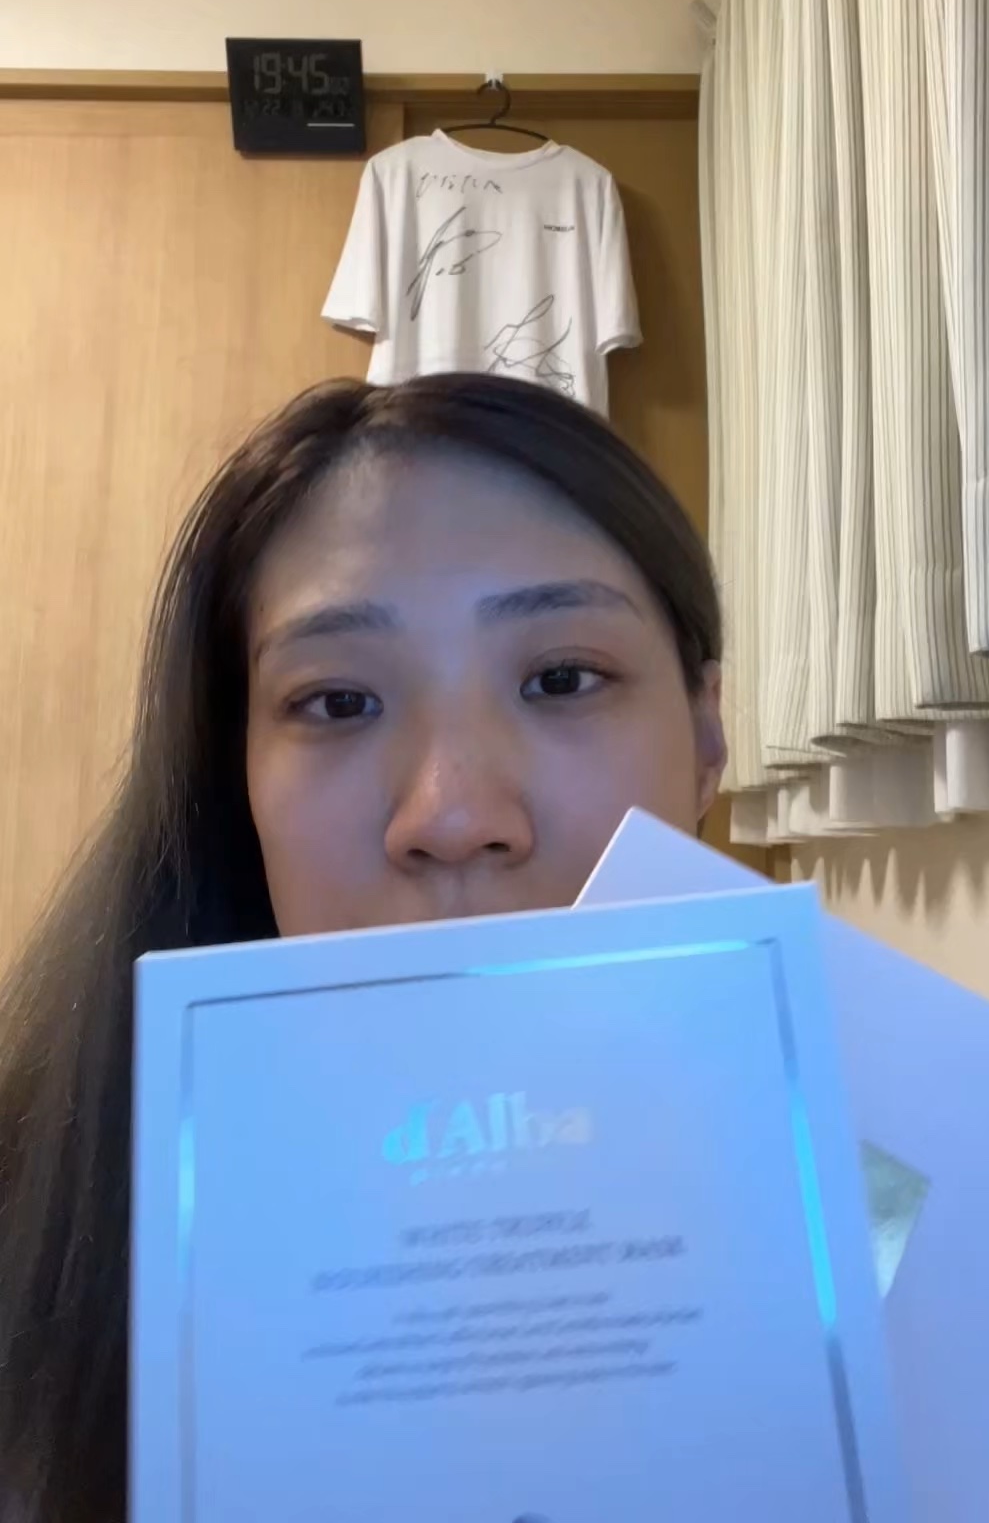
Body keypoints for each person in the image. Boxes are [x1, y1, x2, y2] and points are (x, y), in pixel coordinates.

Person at [0, 371, 725, 1523]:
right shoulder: (38, 1242)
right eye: (338, 702)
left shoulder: (904, 1186)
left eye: (561, 679)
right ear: (233, 774)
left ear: (707, 737)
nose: (450, 816)